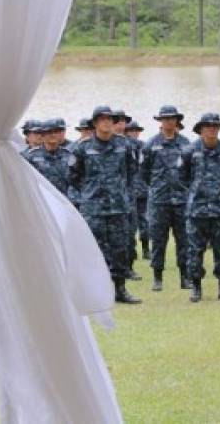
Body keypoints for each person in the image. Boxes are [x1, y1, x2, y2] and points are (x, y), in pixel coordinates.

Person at [71, 106, 141, 304]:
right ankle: (95, 292)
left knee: (120, 249)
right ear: (95, 124)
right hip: (93, 209)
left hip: (118, 207)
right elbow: (74, 176)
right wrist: (88, 196)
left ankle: (120, 289)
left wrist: (124, 195)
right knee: (94, 250)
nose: (107, 123)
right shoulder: (82, 148)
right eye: (102, 119)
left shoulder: (124, 145)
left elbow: (131, 172)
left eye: (110, 119)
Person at [178, 113, 220, 303]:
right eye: (208, 126)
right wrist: (197, 194)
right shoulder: (189, 151)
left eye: (215, 126)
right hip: (197, 210)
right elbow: (182, 177)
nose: (212, 129)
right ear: (201, 129)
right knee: (195, 250)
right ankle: (196, 287)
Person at [143, 105, 191, 291]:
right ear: (160, 121)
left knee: (183, 240)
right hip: (159, 201)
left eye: (172, 118)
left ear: (177, 121)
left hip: (181, 200)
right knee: (158, 240)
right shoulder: (151, 144)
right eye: (166, 118)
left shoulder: (186, 144)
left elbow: (190, 171)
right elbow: (144, 172)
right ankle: (157, 277)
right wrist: (158, 187)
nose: (169, 121)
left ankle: (185, 277)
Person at [24, 120, 80, 211]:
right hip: (43, 204)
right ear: (43, 135)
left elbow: (77, 181)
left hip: (67, 203)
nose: (53, 135)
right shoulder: (31, 156)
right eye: (49, 132)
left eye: (56, 131)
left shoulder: (69, 155)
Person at [124, 120, 150, 260]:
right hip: (130, 191)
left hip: (142, 189)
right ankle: (131, 251)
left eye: (136, 130)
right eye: (131, 130)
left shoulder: (144, 146)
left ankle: (146, 249)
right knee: (131, 224)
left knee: (144, 221)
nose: (134, 133)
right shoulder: (125, 146)